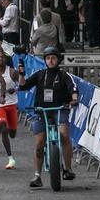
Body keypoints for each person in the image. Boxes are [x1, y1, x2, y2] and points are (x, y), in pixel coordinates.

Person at [18, 46, 80, 188]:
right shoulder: (40, 74)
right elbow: (23, 86)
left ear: (58, 60)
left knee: (64, 134)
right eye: (47, 58)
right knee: (39, 143)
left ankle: (68, 169)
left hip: (60, 109)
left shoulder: (64, 75)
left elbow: (73, 89)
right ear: (45, 60)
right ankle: (37, 175)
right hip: (41, 111)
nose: (50, 61)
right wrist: (21, 73)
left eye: (53, 58)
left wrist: (74, 99)